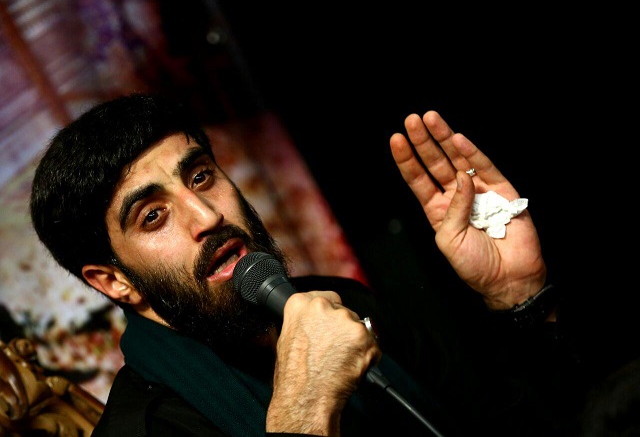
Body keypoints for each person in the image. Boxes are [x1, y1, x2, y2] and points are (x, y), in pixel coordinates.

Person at [29, 93, 577, 436]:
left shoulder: (340, 303)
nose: (207, 215)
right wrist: (306, 409)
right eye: (153, 216)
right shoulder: (146, 429)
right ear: (114, 280)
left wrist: (518, 296)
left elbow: (505, 420)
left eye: (200, 177)